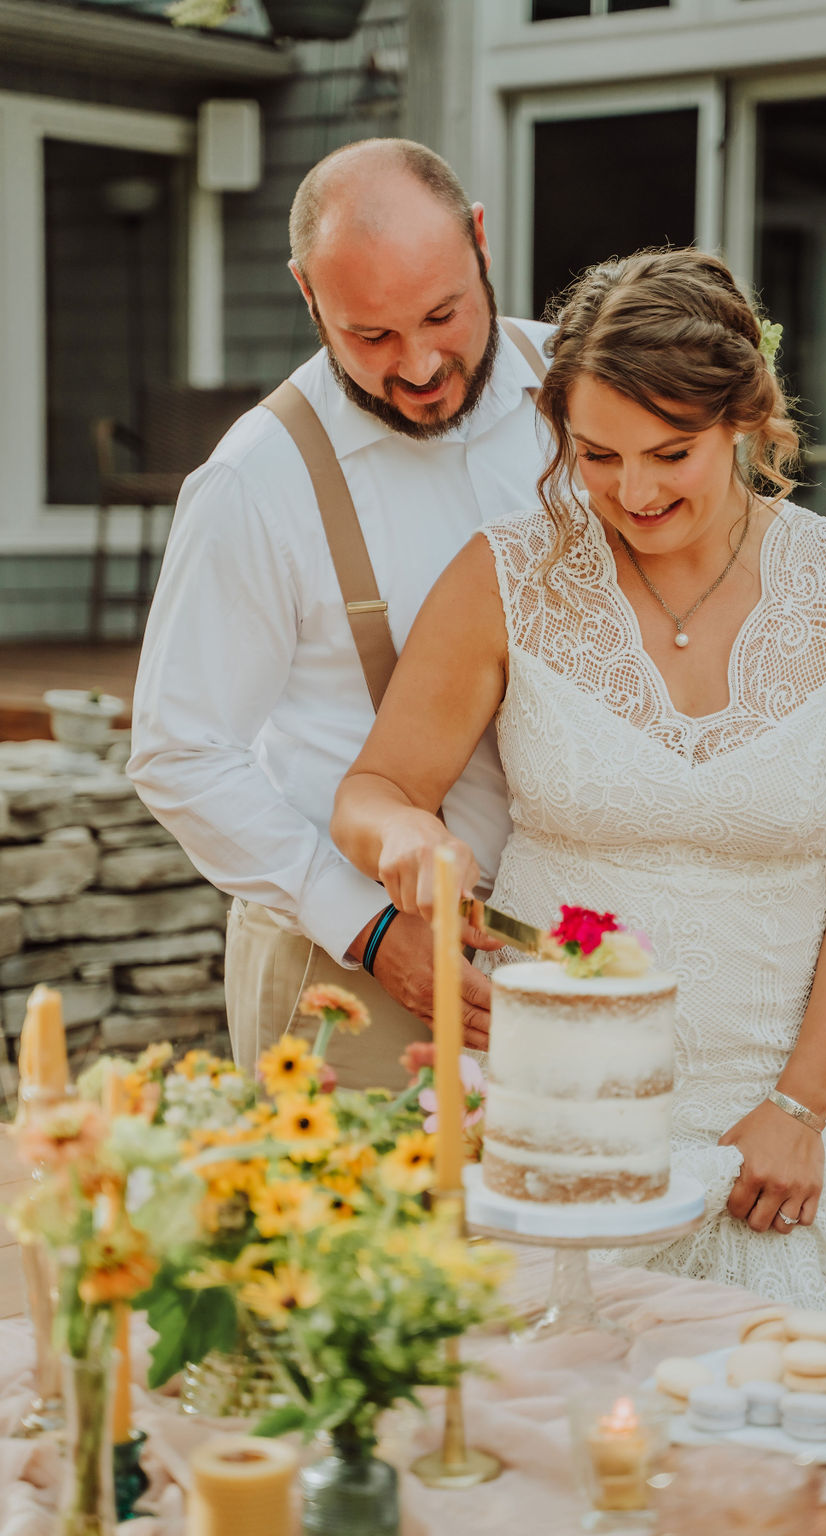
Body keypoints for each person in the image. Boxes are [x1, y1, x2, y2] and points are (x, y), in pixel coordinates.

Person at [331, 247, 826, 1323]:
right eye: (597, 455)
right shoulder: (504, 575)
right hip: (555, 1115)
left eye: (671, 452)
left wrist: (798, 1104)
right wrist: (405, 845)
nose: (635, 492)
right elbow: (375, 786)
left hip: (766, 1116)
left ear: (745, 418)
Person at [127, 138, 551, 1089]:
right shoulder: (256, 480)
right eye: (372, 335)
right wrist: (364, 925)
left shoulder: (584, 391)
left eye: (444, 314)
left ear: (481, 242)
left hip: (567, 947)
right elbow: (178, 751)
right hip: (349, 977)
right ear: (308, 295)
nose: (420, 365)